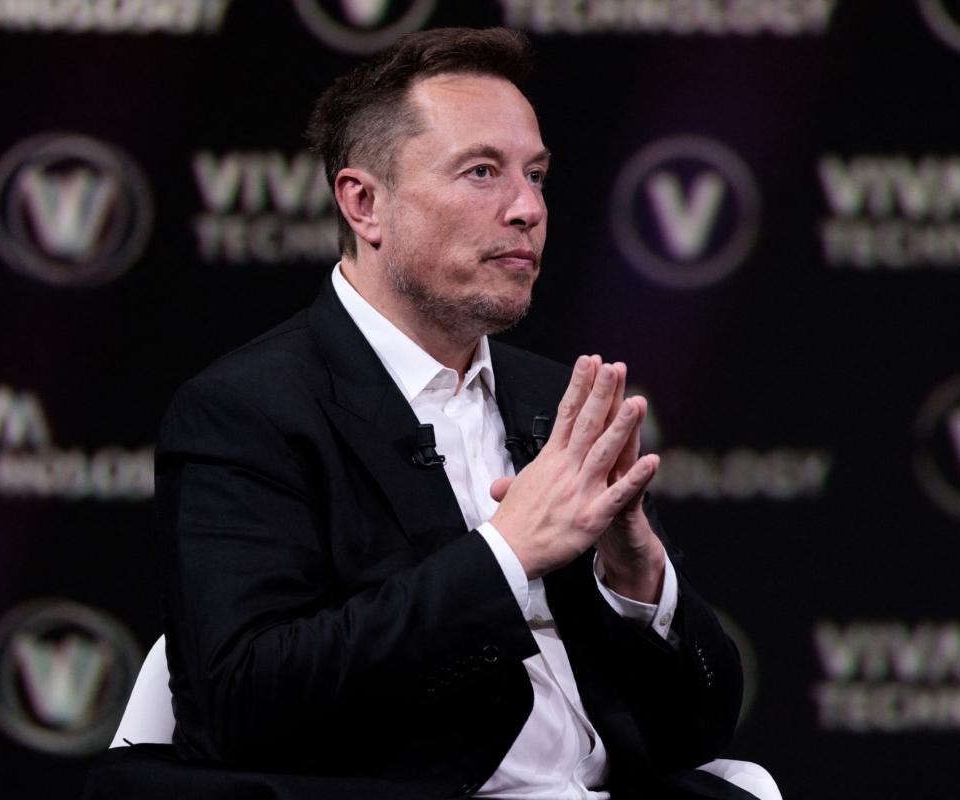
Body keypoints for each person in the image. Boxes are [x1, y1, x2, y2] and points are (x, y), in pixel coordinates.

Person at [145, 27, 774, 800]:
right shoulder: (248, 410)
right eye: (482, 172)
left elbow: (695, 734)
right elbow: (237, 704)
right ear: (364, 203)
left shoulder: (550, 399)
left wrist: (638, 581)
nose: (527, 209)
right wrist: (506, 557)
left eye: (536, 175)